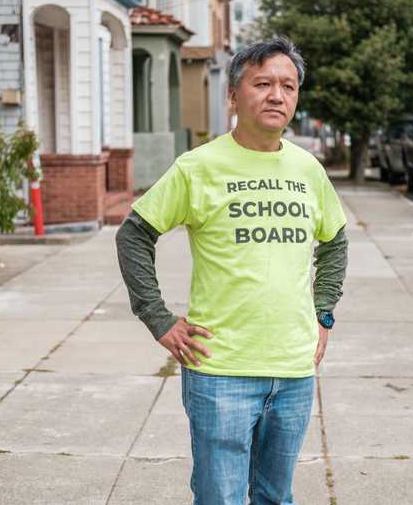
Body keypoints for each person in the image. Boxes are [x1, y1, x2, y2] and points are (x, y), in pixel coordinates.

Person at [116, 37, 348, 505]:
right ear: (234, 95)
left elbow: (336, 241)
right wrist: (158, 318)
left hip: (293, 369)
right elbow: (134, 235)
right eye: (262, 84)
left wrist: (323, 312)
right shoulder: (197, 167)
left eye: (288, 85)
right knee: (219, 498)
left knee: (275, 497)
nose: (276, 96)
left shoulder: (308, 170)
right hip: (220, 369)